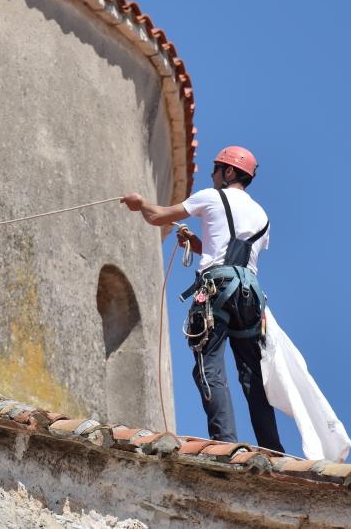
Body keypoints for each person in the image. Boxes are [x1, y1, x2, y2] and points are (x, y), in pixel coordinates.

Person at [120, 146, 284, 453]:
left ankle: (225, 443)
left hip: (217, 289)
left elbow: (158, 217)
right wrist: (196, 243)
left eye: (216, 169)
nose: (211, 175)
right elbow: (233, 252)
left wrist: (140, 203)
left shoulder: (211, 196)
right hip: (250, 296)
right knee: (252, 375)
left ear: (229, 172)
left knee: (208, 366)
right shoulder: (263, 217)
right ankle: (272, 447)